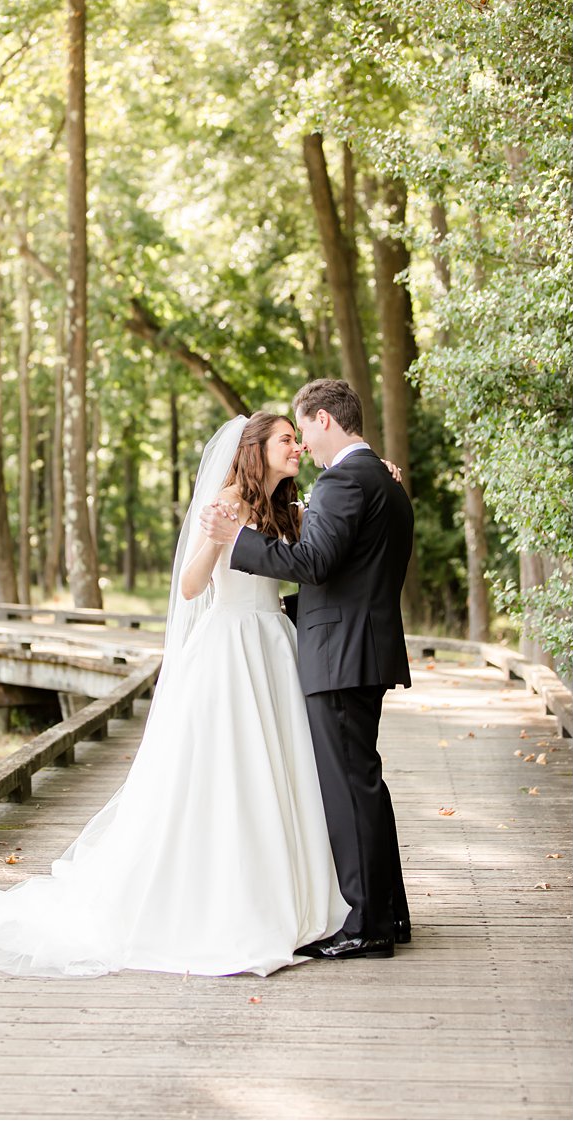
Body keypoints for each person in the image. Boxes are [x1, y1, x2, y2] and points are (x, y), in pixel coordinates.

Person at [0, 412, 350, 978]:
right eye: (286, 439)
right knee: (231, 771)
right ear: (255, 448)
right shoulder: (227, 500)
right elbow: (190, 587)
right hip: (231, 644)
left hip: (273, 645)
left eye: (296, 439)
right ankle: (224, 904)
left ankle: (291, 893)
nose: (297, 448)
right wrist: (216, 539)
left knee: (282, 768)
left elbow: (318, 547)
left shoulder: (287, 507)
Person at [203, 378, 415, 961]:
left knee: (349, 788)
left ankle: (367, 924)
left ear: (324, 420)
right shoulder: (384, 482)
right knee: (364, 784)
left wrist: (239, 541)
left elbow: (317, 563)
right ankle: (388, 912)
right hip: (360, 650)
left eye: (304, 431)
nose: (303, 449)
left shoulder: (346, 480)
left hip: (341, 657)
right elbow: (352, 575)